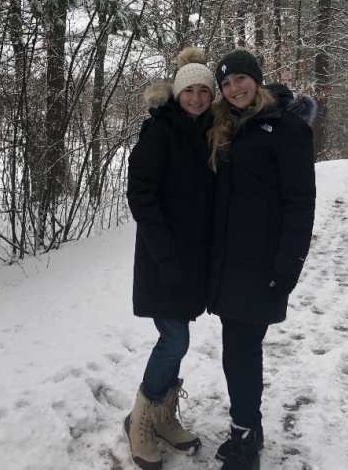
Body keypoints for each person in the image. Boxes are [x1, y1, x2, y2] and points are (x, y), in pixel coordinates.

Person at [207, 49, 316, 470]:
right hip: (227, 262)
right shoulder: (225, 126)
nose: (234, 88)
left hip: (261, 263)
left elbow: (300, 201)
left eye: (240, 79)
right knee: (238, 348)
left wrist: (288, 266)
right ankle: (246, 427)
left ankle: (246, 438)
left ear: (256, 78)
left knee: (241, 349)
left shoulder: (285, 127)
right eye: (227, 83)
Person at [124, 47, 216, 470]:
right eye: (189, 90)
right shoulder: (159, 131)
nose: (196, 98)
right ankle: (141, 419)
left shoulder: (210, 131)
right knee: (174, 339)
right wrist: (165, 256)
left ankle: (162, 417)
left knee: (179, 340)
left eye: (203, 91)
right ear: (176, 93)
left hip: (194, 260)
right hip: (164, 258)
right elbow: (141, 196)